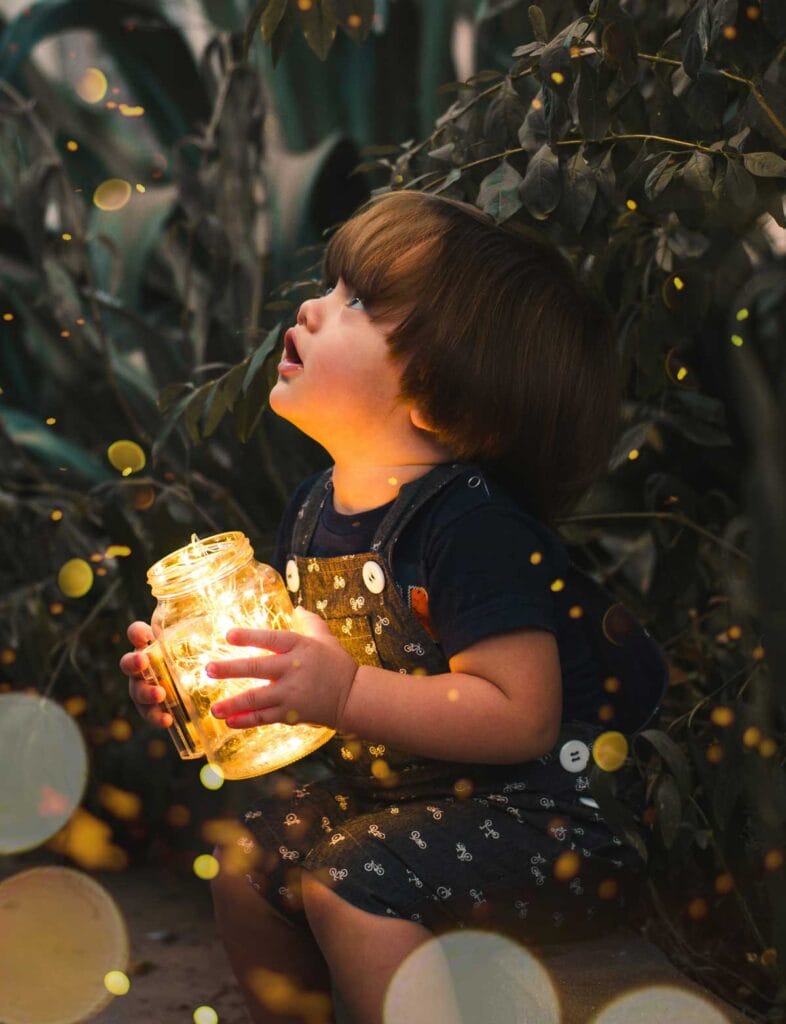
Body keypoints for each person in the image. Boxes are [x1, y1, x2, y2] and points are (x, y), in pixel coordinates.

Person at [121, 189, 666, 1024]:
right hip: (403, 808)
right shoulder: (313, 507)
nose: (312, 306)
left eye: (357, 303)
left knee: (348, 882)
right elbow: (299, 661)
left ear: (441, 400)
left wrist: (343, 695)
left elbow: (521, 716)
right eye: (332, 288)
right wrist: (207, 683)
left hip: (546, 825)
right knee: (246, 863)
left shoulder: (472, 526)